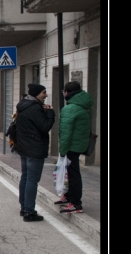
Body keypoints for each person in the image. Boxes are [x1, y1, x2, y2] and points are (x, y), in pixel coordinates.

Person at [16, 83, 56, 222]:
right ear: (37, 94)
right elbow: (44, 127)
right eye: (44, 92)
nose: (46, 95)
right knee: (32, 179)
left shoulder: (24, 105)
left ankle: (24, 207)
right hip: (35, 148)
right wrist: (50, 113)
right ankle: (29, 211)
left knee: (26, 177)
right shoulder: (34, 108)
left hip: (24, 147)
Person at [56, 81, 93, 214]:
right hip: (79, 144)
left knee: (73, 174)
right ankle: (69, 197)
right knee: (71, 173)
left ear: (66, 92)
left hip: (71, 146)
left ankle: (76, 203)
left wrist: (62, 150)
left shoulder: (70, 108)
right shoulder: (84, 104)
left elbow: (66, 133)